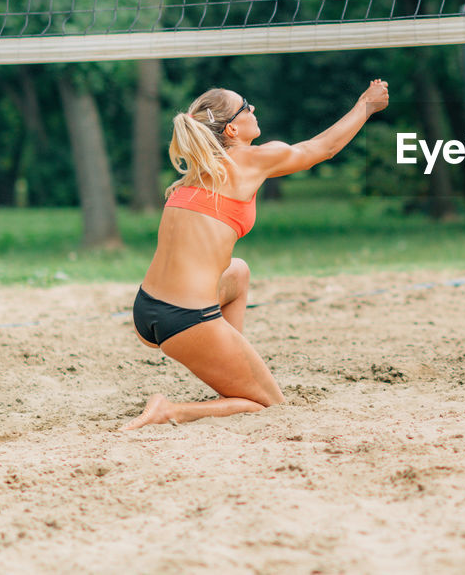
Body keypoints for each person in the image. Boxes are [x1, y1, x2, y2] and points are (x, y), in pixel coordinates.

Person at [123, 80, 389, 430]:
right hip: (184, 320)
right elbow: (321, 149)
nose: (254, 110)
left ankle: (231, 359)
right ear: (232, 127)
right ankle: (170, 410)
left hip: (147, 310)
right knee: (267, 403)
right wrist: (365, 106)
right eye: (246, 105)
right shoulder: (248, 159)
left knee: (238, 271)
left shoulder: (196, 173)